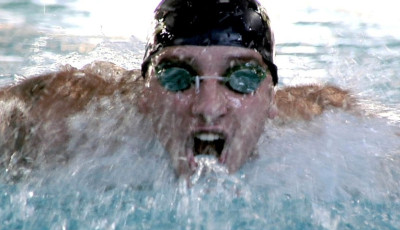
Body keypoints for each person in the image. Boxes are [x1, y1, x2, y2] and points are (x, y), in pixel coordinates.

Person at [0, 0, 352, 182]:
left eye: (241, 79)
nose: (209, 108)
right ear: (145, 93)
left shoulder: (327, 135)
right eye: (177, 78)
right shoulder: (64, 121)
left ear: (272, 99)